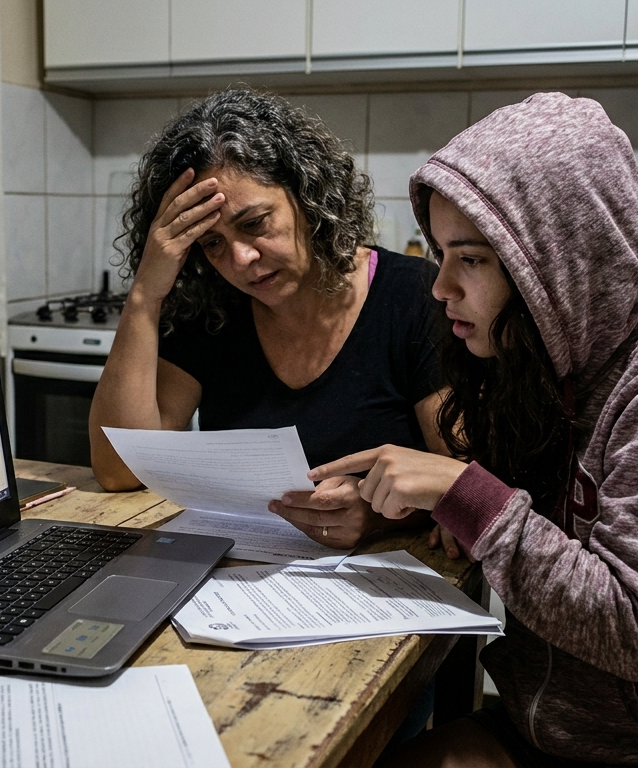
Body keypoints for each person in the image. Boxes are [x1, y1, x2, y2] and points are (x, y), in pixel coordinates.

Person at [315, 93, 638, 767]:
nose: (441, 287)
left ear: (556, 262)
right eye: (441, 254)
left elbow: (635, 631)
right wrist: (420, 503)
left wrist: (465, 493)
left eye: (472, 259)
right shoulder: (545, 363)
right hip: (556, 731)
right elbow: (518, 526)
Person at [89, 89, 454, 551]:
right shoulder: (211, 308)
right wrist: (145, 294)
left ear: (308, 196)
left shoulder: (414, 296)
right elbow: (119, 471)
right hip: (240, 574)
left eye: (254, 223)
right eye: (212, 243)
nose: (241, 259)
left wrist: (381, 515)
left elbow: (464, 481)